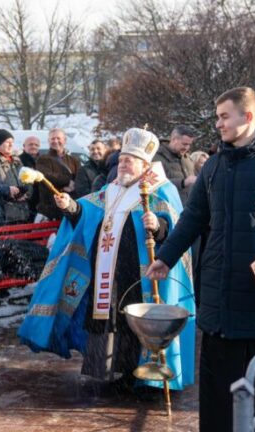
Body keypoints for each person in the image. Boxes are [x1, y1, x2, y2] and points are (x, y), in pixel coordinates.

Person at [146, 87, 255, 432]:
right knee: (219, 396)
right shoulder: (215, 166)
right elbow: (193, 218)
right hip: (218, 301)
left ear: (247, 117)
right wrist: (166, 256)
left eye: (224, 116)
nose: (218, 123)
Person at [19, 128, 195, 393]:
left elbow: (176, 229)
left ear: (144, 165)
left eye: (129, 160)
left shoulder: (161, 189)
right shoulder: (111, 189)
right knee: (112, 321)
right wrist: (69, 206)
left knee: (141, 322)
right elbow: (87, 214)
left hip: (142, 274)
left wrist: (157, 225)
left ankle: (148, 380)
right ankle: (118, 372)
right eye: (121, 159)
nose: (123, 164)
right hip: (109, 272)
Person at [35, 128, 81, 220]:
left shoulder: (73, 160)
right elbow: (46, 177)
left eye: (58, 138)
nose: (55, 141)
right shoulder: (42, 159)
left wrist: (73, 185)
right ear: (48, 141)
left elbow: (80, 177)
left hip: (71, 206)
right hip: (51, 209)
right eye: (52, 139)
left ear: (65, 140)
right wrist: (68, 182)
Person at [0, 129, 32, 224]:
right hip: (5, 212)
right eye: (7, 142)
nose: (11, 145)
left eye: (12, 142)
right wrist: (11, 195)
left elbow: (27, 180)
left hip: (23, 210)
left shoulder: (17, 159)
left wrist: (27, 193)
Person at [153, 125, 197, 205]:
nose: (187, 148)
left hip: (189, 208)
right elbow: (154, 185)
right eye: (184, 144)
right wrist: (183, 182)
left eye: (189, 144)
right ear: (174, 139)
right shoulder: (156, 158)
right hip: (169, 208)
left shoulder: (187, 158)